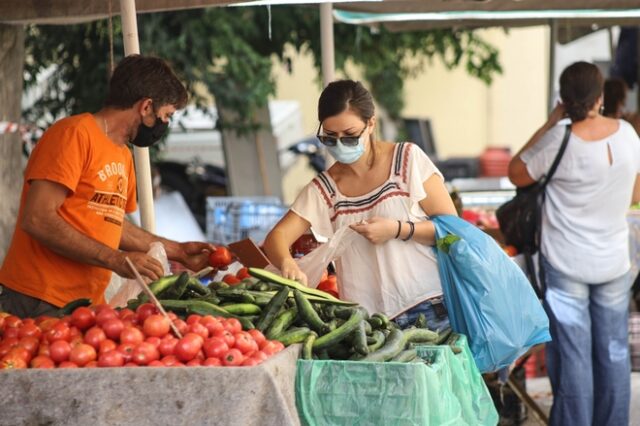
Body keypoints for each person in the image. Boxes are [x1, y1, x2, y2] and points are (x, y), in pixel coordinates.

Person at [0, 55, 216, 318]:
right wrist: (115, 259)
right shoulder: (73, 134)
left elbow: (114, 223)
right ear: (146, 107)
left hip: (86, 305)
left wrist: (179, 251)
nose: (166, 124)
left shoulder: (123, 154)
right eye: (167, 115)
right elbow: (37, 218)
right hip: (38, 297)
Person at [263, 80, 458, 330]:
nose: (340, 145)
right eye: (330, 138)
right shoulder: (326, 188)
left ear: (371, 124)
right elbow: (276, 237)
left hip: (429, 311)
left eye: (351, 136)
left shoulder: (408, 160)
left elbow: (452, 234)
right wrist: (287, 264)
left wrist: (397, 229)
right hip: (366, 324)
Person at [508, 62, 640, 426]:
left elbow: (516, 171)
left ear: (564, 100)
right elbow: (635, 193)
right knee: (614, 352)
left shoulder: (558, 139)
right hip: (613, 261)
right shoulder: (628, 135)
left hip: (566, 264)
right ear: (600, 97)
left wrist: (552, 121)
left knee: (575, 354)